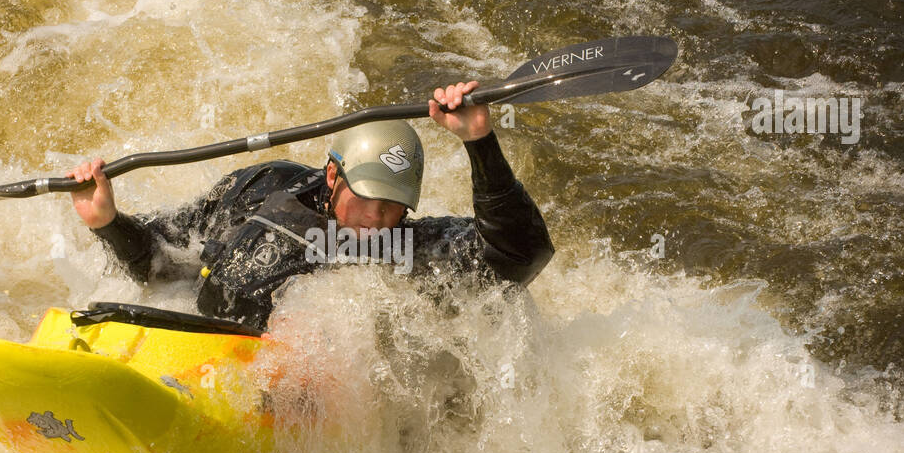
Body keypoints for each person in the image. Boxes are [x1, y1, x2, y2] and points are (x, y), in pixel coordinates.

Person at [67, 80, 554, 330]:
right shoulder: (260, 188)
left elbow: (520, 252)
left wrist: (479, 142)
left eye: (394, 207)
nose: (378, 221)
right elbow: (159, 259)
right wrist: (108, 222)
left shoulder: (408, 247)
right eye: (368, 201)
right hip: (202, 350)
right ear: (331, 175)